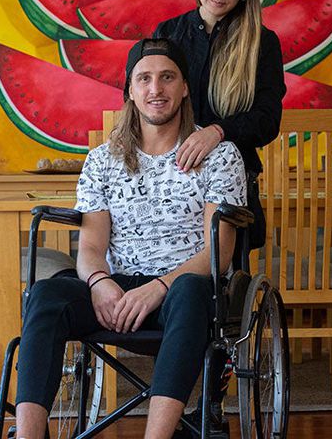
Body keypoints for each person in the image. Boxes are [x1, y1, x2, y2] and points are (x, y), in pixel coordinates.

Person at [13, 38, 247, 439]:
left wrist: (158, 288)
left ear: (184, 87)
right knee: (47, 294)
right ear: (130, 91)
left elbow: (219, 254)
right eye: (144, 79)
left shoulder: (220, 156)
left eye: (167, 77)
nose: (156, 89)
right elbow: (91, 247)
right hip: (117, 294)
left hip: (182, 294)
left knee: (192, 289)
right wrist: (99, 283)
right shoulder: (102, 160)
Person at [154, 0, 286, 432]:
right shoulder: (169, 34)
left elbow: (267, 121)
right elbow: (147, 101)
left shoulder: (262, 43)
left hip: (232, 185)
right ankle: (171, 396)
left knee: (222, 299)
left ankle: (209, 403)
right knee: (173, 288)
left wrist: (217, 131)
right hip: (171, 186)